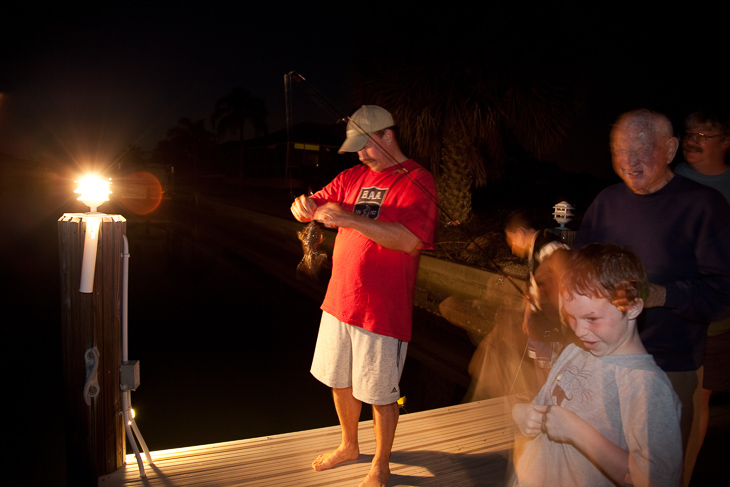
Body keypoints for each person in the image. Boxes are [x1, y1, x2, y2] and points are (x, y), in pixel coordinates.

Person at [574, 109, 730, 486]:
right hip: (604, 365)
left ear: (671, 148)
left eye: (643, 148)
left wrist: (662, 295)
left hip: (670, 368)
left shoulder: (705, 206)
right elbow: (579, 273)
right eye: (620, 150)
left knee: (659, 477)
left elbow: (723, 295)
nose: (630, 161)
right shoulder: (606, 202)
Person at [290, 105, 438, 487]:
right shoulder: (351, 175)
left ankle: (382, 464)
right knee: (339, 379)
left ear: (387, 135)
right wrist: (302, 207)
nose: (359, 154)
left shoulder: (418, 181)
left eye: (365, 146)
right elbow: (309, 209)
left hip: (382, 310)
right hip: (339, 301)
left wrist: (350, 218)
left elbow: (408, 240)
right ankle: (349, 445)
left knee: (380, 392)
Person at [512, 242, 682, 487]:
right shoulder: (573, 353)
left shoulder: (645, 385)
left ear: (632, 306)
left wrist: (577, 432)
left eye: (592, 318)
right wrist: (522, 413)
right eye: (570, 317)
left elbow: (655, 482)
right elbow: (542, 407)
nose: (579, 330)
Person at [675, 108, 730, 463]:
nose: (692, 142)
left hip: (718, 318)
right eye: (689, 134)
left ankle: (683, 472)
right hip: (673, 309)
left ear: (725, 143)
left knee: (700, 397)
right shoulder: (671, 179)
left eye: (703, 136)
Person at [504, 211, 571, 388]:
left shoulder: (550, 248)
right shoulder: (534, 251)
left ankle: (551, 405)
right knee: (540, 366)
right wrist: (528, 313)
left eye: (511, 240)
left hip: (553, 323)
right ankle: (542, 401)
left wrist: (565, 324)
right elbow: (535, 285)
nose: (512, 248)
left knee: (551, 371)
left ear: (520, 233)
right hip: (540, 322)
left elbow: (565, 286)